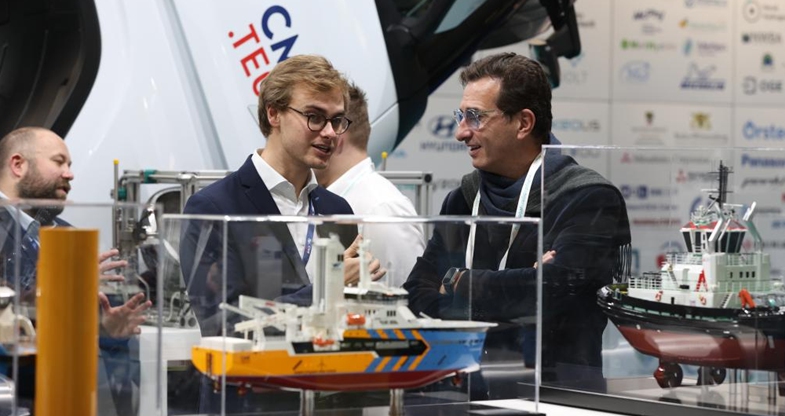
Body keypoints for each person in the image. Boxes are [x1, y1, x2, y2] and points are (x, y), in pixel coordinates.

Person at [404, 53, 631, 392]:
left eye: (475, 117)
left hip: (559, 403)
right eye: (461, 116)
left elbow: (555, 295)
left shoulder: (588, 199)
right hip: (461, 394)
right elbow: (416, 294)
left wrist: (456, 283)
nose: (460, 132)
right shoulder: (463, 199)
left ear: (523, 123)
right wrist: (522, 285)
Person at [180, 55, 383, 337]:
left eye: (337, 120)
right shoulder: (213, 208)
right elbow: (222, 326)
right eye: (314, 117)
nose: (329, 133)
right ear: (274, 114)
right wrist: (326, 290)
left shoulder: (337, 209)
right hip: (256, 379)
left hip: (328, 376)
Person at [0, 126, 151, 416]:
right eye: (59, 162)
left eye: (70, 165)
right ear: (18, 165)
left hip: (56, 415)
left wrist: (104, 329)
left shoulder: (65, 235)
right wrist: (66, 285)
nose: (69, 174)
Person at [315, 83, 425, 287]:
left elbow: (406, 302)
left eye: (315, 120)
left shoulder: (381, 210)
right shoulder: (325, 200)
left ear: (336, 133)